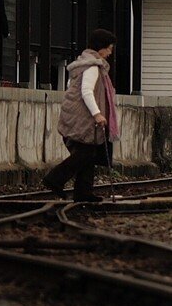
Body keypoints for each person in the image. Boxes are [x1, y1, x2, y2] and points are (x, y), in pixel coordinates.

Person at [43, 28, 118, 203]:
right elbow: (86, 91)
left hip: (76, 116)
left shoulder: (82, 63)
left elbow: (71, 86)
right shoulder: (92, 66)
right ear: (101, 48)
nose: (110, 53)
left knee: (89, 154)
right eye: (109, 48)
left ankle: (83, 193)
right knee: (85, 154)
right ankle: (55, 178)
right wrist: (97, 114)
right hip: (83, 118)